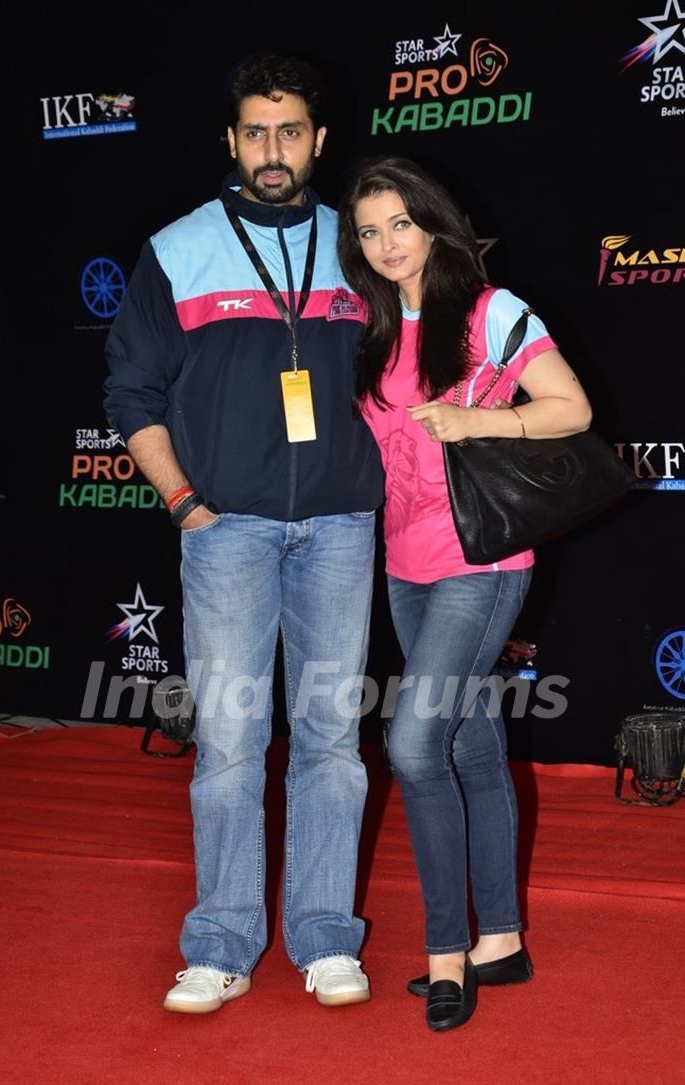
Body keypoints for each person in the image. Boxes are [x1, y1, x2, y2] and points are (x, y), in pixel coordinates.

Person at [103, 54, 383, 1014]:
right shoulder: (180, 249)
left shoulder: (359, 246)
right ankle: (221, 940)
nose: (274, 150)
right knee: (227, 739)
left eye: (291, 131)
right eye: (256, 132)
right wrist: (185, 502)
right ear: (231, 141)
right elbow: (130, 390)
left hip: (342, 525)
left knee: (333, 739)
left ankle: (324, 938)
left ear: (317, 139)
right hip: (226, 530)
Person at [337, 156, 592, 1032]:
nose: (386, 244)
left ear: (435, 222)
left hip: (479, 568)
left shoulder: (490, 310)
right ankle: (503, 940)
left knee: (413, 747)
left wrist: (482, 418)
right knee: (474, 750)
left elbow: (571, 408)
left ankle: (447, 951)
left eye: (400, 223)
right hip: (404, 566)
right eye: (369, 231)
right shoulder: (374, 330)